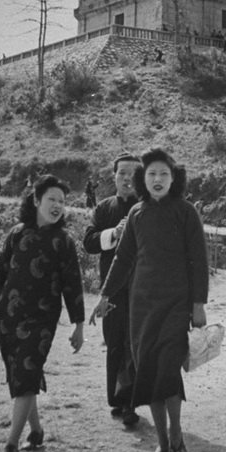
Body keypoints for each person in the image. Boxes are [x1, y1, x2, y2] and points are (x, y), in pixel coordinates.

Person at [89, 148, 208, 452]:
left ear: (174, 178)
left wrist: (198, 305)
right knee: (147, 372)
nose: (157, 179)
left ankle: (177, 435)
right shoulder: (137, 215)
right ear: (144, 179)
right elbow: (123, 259)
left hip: (175, 307)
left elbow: (199, 261)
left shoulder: (186, 213)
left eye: (164, 174)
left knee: (167, 370)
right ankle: (164, 445)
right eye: (152, 173)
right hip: (140, 309)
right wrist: (104, 296)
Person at [0, 175, 84, 452]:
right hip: (8, 317)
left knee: (26, 373)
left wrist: (78, 325)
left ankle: (11, 445)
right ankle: (36, 432)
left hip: (42, 319)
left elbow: (72, 284)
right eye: (52, 199)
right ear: (36, 201)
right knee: (21, 376)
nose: (57, 206)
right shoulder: (16, 234)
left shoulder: (63, 241)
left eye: (62, 202)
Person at [83, 153, 140, 425]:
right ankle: (117, 399)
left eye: (133, 173)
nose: (127, 178)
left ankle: (130, 401)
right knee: (115, 342)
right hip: (111, 287)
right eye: (122, 173)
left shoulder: (148, 207)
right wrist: (114, 234)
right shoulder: (104, 208)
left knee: (134, 343)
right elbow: (89, 242)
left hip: (141, 288)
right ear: (114, 177)